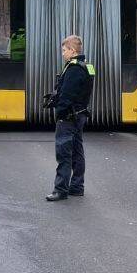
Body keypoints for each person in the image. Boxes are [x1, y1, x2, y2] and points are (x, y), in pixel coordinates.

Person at [45, 34, 94, 202]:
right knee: (77, 152)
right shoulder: (86, 66)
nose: (63, 53)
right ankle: (77, 187)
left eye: (64, 50)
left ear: (73, 51)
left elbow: (67, 95)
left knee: (64, 153)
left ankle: (60, 190)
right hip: (80, 115)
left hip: (69, 117)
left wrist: (59, 112)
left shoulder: (73, 69)